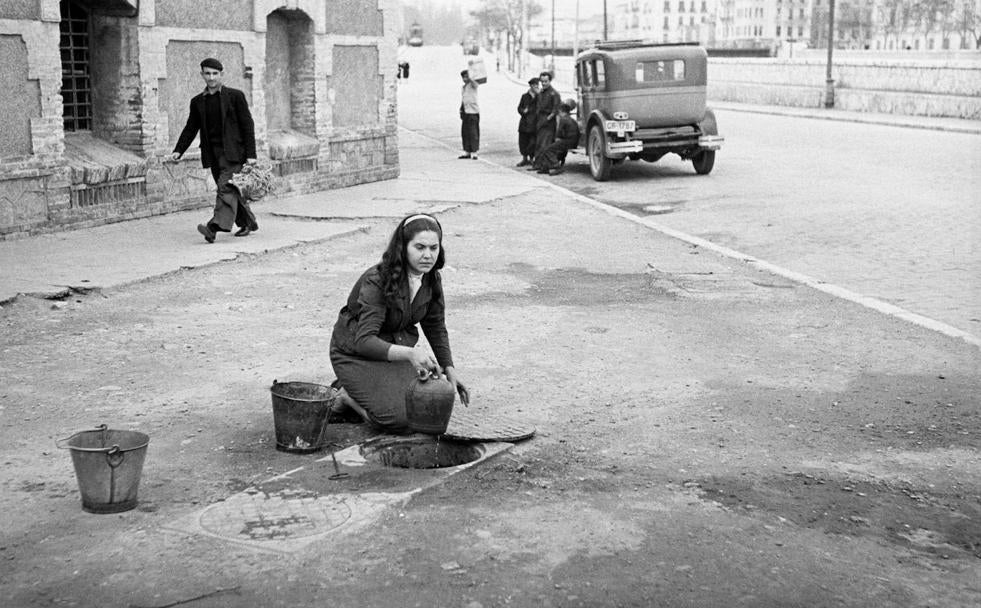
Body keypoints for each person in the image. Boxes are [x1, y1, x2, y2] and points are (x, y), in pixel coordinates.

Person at [327, 214, 470, 432]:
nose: (427, 255)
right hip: (355, 353)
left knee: (426, 408)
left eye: (434, 248)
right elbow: (364, 341)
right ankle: (347, 396)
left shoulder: (431, 278)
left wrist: (449, 367)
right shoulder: (378, 279)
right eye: (419, 247)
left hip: (393, 349)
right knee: (402, 421)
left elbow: (435, 325)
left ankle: (352, 386)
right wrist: (411, 354)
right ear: (403, 247)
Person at [171, 57, 259, 243]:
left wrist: (251, 155)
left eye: (215, 73)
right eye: (207, 73)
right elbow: (191, 127)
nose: (211, 77)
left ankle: (213, 228)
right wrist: (179, 150)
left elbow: (247, 126)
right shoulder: (197, 102)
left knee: (225, 188)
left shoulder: (235, 96)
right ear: (202, 74)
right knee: (231, 189)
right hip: (214, 154)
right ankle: (248, 222)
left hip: (234, 153)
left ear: (221, 74)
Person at [534, 102, 580, 176]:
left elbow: (559, 134)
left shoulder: (563, 119)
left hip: (567, 142)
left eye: (559, 112)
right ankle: (546, 167)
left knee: (548, 150)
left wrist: (555, 140)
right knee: (552, 148)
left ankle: (556, 166)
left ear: (561, 111)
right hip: (573, 142)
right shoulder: (571, 119)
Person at [532, 70, 562, 167]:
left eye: (546, 81)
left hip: (548, 122)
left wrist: (548, 119)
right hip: (540, 120)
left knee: (546, 144)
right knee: (539, 143)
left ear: (550, 81)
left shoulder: (554, 93)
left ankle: (546, 165)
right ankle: (538, 164)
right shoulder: (541, 93)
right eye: (542, 81)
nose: (544, 83)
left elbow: (555, 109)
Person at [516, 77, 540, 167]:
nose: (536, 87)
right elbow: (519, 108)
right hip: (525, 123)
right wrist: (523, 111)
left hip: (534, 123)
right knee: (523, 141)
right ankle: (524, 158)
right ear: (530, 86)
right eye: (534, 85)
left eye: (537, 85)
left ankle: (532, 158)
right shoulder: (525, 96)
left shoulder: (539, 96)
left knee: (533, 142)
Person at [458, 69, 480, 159]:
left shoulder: (472, 85)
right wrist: (461, 109)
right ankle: (467, 151)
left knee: (473, 132)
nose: (465, 79)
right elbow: (463, 99)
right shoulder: (463, 87)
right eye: (463, 77)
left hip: (473, 111)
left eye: (466, 77)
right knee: (465, 132)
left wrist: (471, 78)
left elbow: (476, 84)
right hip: (466, 112)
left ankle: (474, 152)